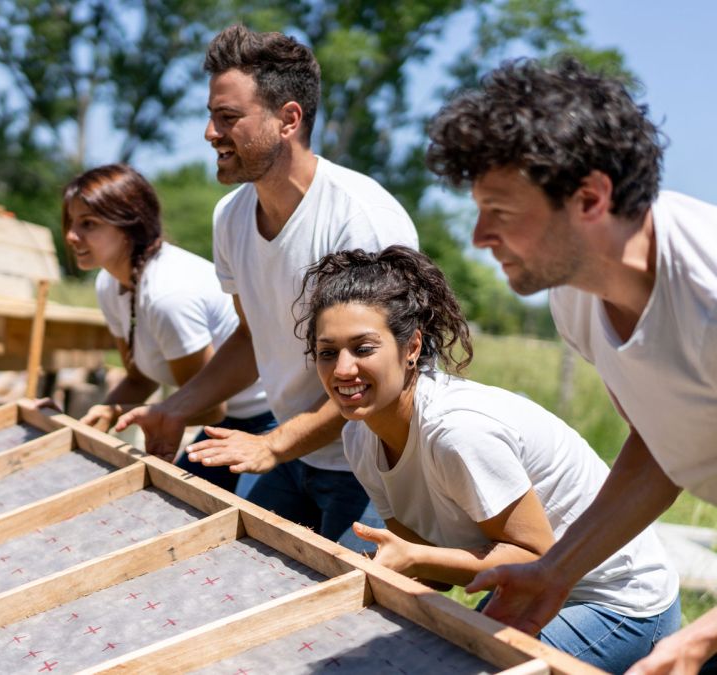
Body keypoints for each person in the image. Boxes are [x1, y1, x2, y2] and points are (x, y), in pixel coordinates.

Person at [426, 57, 717, 674]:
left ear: (590, 198)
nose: (479, 235)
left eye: (500, 212)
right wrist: (555, 571)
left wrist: (700, 635)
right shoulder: (576, 294)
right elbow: (659, 446)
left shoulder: (708, 295)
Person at [296, 245, 680, 673]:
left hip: (616, 600)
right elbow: (431, 565)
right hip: (524, 590)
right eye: (328, 352)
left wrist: (414, 561)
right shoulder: (360, 438)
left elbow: (536, 559)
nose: (342, 369)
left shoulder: (457, 432)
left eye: (363, 348)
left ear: (411, 348)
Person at [116, 25, 418, 550]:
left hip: (376, 463)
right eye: (212, 116)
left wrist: (275, 443)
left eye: (227, 118)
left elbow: (382, 376)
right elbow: (252, 337)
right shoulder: (230, 217)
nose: (210, 133)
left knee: (346, 619)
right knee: (231, 570)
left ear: (288, 119)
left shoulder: (360, 221)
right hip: (291, 449)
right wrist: (176, 409)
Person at [62, 163, 275, 495]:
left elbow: (208, 406)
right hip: (221, 421)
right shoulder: (110, 283)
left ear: (129, 225)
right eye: (71, 223)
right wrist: (98, 416)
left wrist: (124, 414)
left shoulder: (168, 295)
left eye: (88, 224)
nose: (72, 236)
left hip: (266, 421)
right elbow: (139, 378)